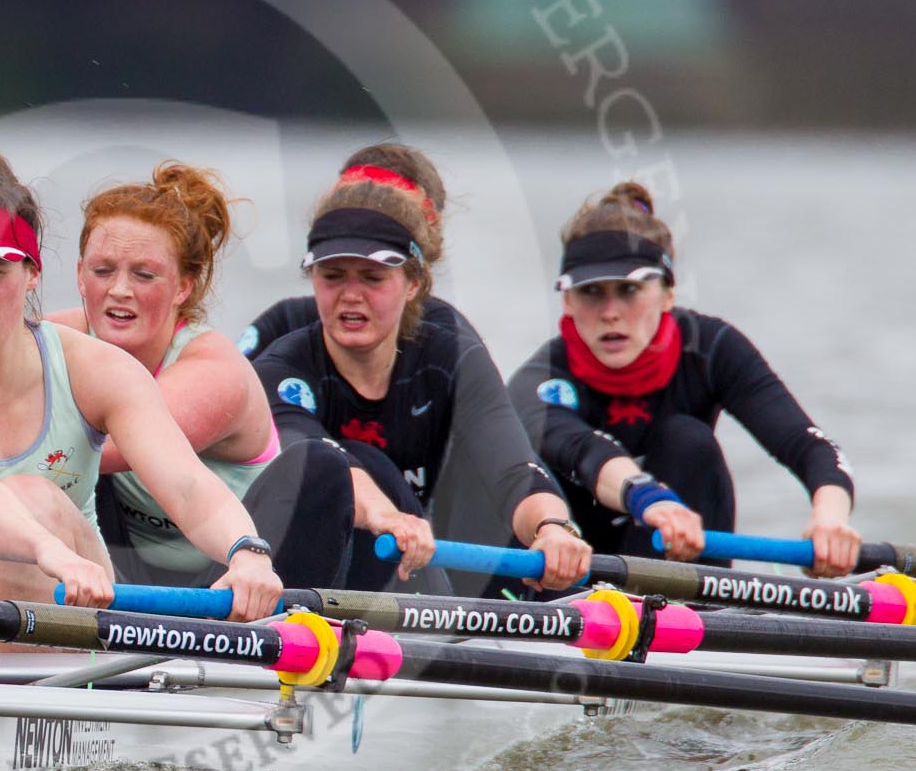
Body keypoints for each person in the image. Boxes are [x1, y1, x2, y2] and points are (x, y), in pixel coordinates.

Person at [0, 150, 282, 673]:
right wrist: (45, 549)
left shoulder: (92, 368)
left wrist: (248, 553)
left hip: (77, 597)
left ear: (31, 273)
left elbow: (187, 486)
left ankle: (30, 701)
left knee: (33, 497)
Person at [250, 154, 593, 595]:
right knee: (360, 462)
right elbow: (313, 458)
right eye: (332, 276)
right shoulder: (281, 368)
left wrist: (552, 527)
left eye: (372, 278)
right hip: (295, 569)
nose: (350, 295)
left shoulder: (449, 354)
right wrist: (384, 514)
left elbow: (513, 467)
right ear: (312, 277)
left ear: (413, 284)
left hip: (404, 552)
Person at [508, 182, 861, 577]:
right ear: (567, 301)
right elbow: (584, 451)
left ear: (668, 293)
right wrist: (650, 499)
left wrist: (830, 520)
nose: (610, 312)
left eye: (628, 290)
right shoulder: (540, 380)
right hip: (565, 569)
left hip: (673, 559)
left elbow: (809, 445)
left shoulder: (711, 349)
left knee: (687, 440)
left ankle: (694, 604)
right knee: (520, 475)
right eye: (591, 292)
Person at [45, 162, 353, 588]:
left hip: (236, 572)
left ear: (183, 287)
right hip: (124, 566)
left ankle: (279, 616)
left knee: (321, 464)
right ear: (81, 276)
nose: (119, 290)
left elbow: (111, 446)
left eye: (143, 275)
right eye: (103, 271)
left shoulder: (213, 368)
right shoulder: (57, 337)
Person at [236, 143, 447, 362]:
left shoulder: (450, 343)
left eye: (373, 277)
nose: (357, 226)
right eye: (346, 203)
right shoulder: (285, 322)